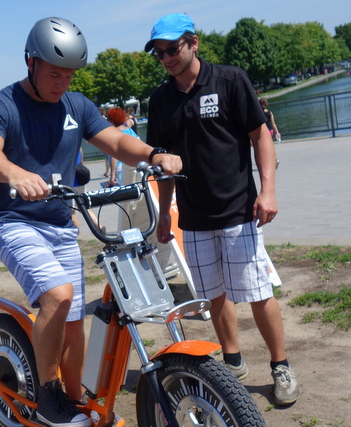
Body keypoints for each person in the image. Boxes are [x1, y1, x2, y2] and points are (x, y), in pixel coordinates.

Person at [0, 17, 182, 427]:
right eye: (55, 74)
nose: (62, 83)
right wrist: (14, 174)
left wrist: (154, 154)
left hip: (59, 223)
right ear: (30, 62)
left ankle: (74, 401)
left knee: (71, 319)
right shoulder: (2, 105)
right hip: (10, 220)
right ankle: (48, 397)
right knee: (58, 294)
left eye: (69, 75)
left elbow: (115, 140)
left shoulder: (76, 105)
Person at [144, 13, 300, 406]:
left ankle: (280, 366)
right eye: (159, 53)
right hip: (194, 218)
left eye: (172, 49)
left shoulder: (230, 79)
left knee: (258, 292)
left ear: (193, 42)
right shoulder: (160, 100)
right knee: (214, 295)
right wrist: (163, 215)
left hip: (239, 211)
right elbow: (163, 164)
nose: (166, 58)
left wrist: (268, 191)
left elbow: (260, 135)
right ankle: (233, 361)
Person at [106, 106, 141, 186]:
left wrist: (112, 174)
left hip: (121, 168)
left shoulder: (114, 134)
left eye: (108, 119)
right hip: (134, 165)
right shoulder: (130, 130)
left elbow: (114, 156)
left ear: (112, 120)